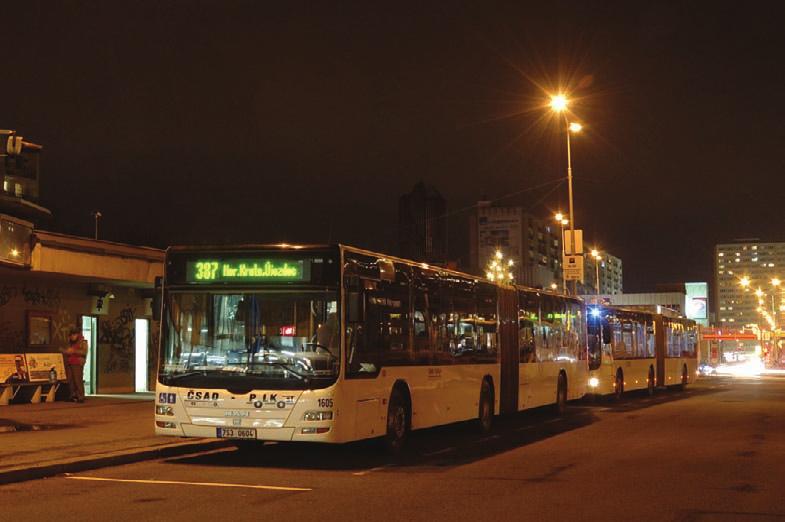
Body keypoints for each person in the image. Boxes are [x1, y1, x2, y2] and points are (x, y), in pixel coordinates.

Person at [63, 327, 88, 403]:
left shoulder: (83, 342)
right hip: (70, 362)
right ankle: (72, 395)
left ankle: (80, 396)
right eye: (71, 335)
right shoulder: (70, 342)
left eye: (74, 335)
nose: (72, 337)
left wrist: (74, 351)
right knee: (70, 380)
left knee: (78, 380)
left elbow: (84, 352)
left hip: (77, 362)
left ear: (77, 334)